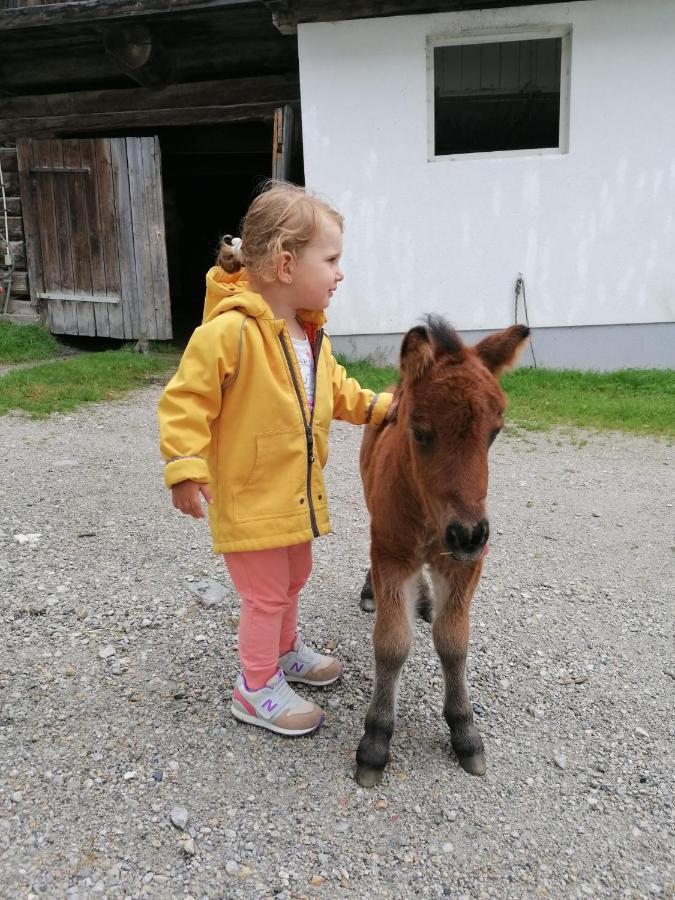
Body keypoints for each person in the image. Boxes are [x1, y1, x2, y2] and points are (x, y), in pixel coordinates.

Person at [157, 181, 392, 737]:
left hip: (293, 495)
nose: (340, 273)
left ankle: (284, 653)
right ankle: (255, 686)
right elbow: (185, 400)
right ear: (287, 265)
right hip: (249, 495)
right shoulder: (228, 333)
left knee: (294, 576)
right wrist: (185, 467)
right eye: (331, 260)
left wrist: (384, 408)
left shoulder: (311, 336)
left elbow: (337, 391)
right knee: (264, 593)